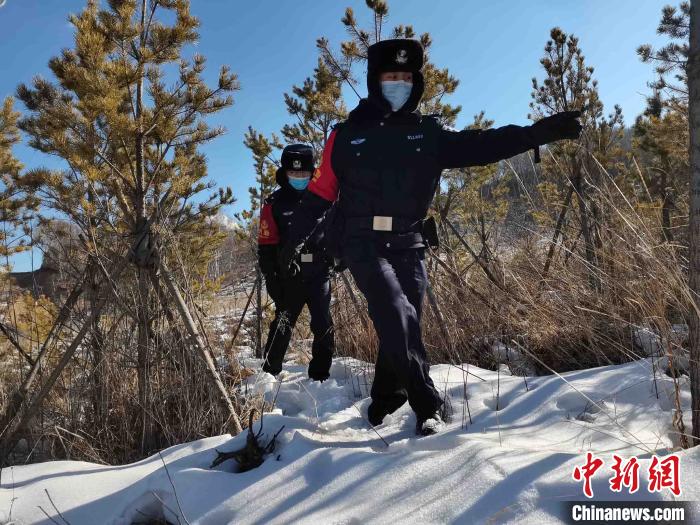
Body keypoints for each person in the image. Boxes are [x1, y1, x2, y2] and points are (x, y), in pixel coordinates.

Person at [280, 39, 582, 435]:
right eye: (390, 77)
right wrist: (291, 243)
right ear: (374, 81)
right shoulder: (345, 135)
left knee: (404, 326)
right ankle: (428, 408)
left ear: (416, 82)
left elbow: (481, 144)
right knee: (396, 314)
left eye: (406, 77)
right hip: (362, 244)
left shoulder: (428, 133)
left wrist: (533, 135)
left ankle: (384, 402)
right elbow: (319, 196)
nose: (398, 84)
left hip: (409, 244)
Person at [258, 144, 335, 381]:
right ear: (285, 173)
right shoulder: (274, 204)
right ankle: (269, 373)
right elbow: (266, 245)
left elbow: (338, 232)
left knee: (323, 322)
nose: (299, 178)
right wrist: (271, 278)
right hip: (289, 274)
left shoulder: (327, 200)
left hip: (319, 272)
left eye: (304, 174)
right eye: (294, 173)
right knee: (282, 322)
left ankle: (320, 374)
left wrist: (339, 257)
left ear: (313, 173)